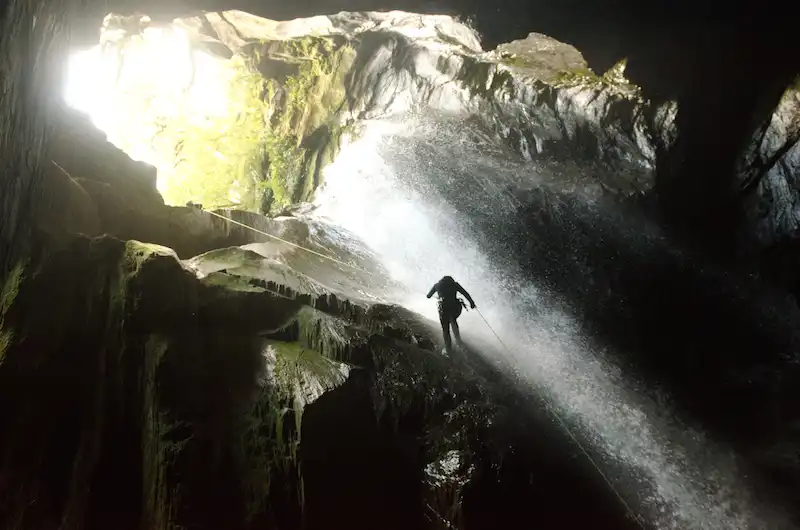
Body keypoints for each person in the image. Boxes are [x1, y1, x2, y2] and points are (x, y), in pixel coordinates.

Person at [426, 275, 476, 352]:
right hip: (455, 308)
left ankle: (448, 348)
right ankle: (458, 340)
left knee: (445, 329)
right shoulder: (454, 284)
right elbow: (465, 293)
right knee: (453, 319)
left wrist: (434, 295)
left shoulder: (437, 285)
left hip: (443, 309)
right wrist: (471, 303)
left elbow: (428, 296)